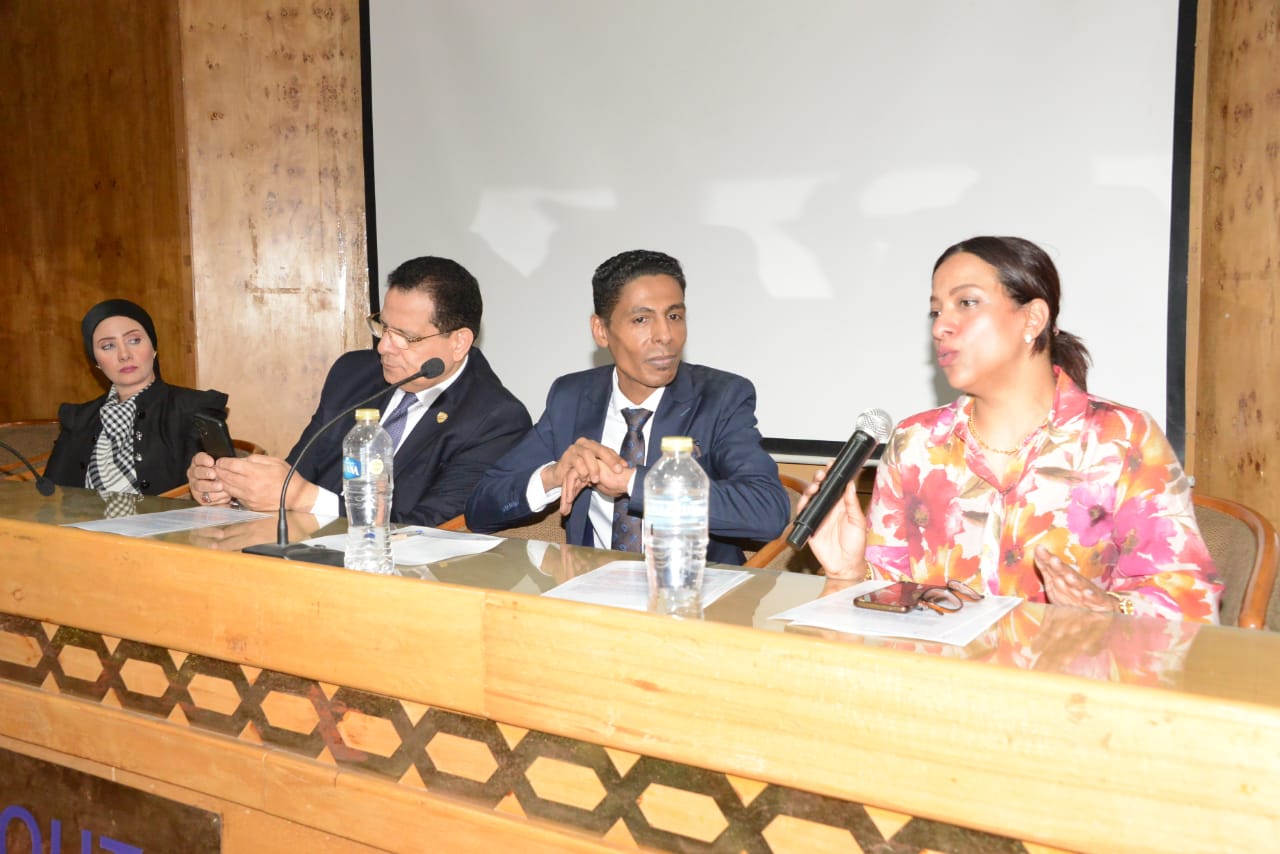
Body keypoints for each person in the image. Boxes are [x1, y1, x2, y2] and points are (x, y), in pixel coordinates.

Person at [805, 236, 1223, 622]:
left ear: (1032, 318)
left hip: (1069, 676)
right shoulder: (915, 445)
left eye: (966, 303)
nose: (939, 327)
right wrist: (849, 572)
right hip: (936, 674)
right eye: (936, 311)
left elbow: (1192, 603)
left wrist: (1107, 608)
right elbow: (886, 603)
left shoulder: (1121, 438)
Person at [465, 249, 789, 564]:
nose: (665, 335)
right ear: (601, 331)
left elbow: (767, 511)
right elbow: (481, 507)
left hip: (691, 590)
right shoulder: (572, 398)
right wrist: (552, 475)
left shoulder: (720, 398)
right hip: (591, 589)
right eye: (641, 319)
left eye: (674, 316)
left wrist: (633, 482)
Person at [186, 256, 532, 527]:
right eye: (383, 327)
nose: (384, 347)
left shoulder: (495, 419)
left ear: (459, 342)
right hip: (305, 553)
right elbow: (299, 471)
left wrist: (303, 497)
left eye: (405, 337)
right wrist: (234, 489)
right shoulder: (354, 374)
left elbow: (427, 528)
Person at [45, 299, 228, 495]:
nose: (124, 355)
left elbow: (218, 489)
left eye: (134, 340)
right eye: (108, 346)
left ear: (153, 347)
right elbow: (49, 494)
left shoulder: (195, 408)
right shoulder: (78, 418)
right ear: (96, 361)